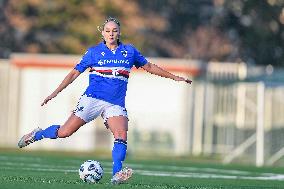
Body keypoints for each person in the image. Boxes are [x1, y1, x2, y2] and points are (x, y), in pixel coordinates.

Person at [18, 17, 192, 184]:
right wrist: (55, 92)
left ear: (119, 33)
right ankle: (38, 134)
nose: (111, 34)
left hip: (115, 103)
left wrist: (175, 77)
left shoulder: (129, 51)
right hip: (92, 99)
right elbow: (73, 74)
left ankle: (117, 174)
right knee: (64, 132)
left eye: (114, 31)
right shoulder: (93, 53)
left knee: (121, 135)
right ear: (102, 33)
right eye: (107, 31)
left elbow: (150, 67)